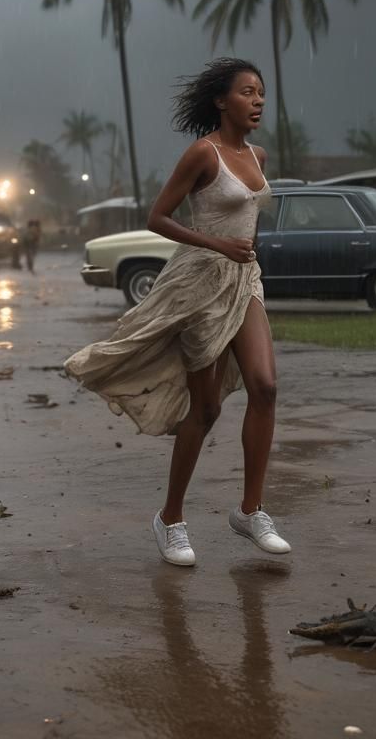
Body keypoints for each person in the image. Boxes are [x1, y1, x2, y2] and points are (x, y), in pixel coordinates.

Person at [64, 58, 288, 567]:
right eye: (248, 93)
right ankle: (170, 519)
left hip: (244, 279)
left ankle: (251, 510)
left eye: (261, 94)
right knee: (204, 410)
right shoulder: (202, 154)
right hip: (200, 285)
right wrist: (216, 243)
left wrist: (240, 252)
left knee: (266, 386)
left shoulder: (259, 154)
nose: (257, 102)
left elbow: (247, 217)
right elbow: (157, 218)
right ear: (221, 101)